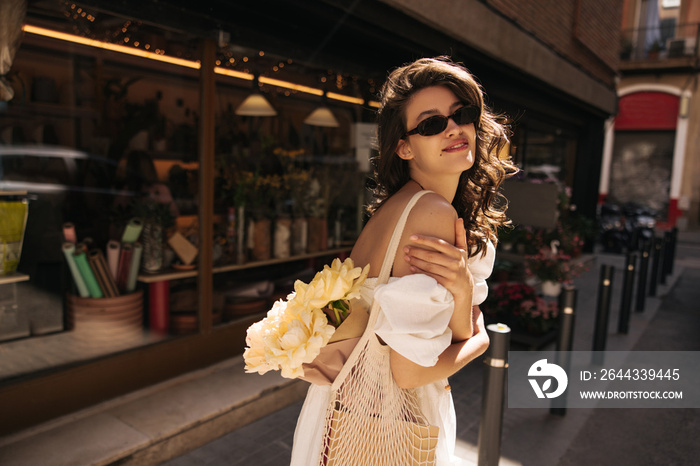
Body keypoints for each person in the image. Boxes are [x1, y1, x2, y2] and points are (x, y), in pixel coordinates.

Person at [291, 57, 516, 465]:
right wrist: (480, 343)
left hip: (347, 415)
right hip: (391, 424)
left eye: (461, 114)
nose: (452, 128)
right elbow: (409, 372)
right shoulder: (431, 212)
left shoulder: (396, 209)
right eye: (431, 124)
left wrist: (463, 293)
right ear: (404, 146)